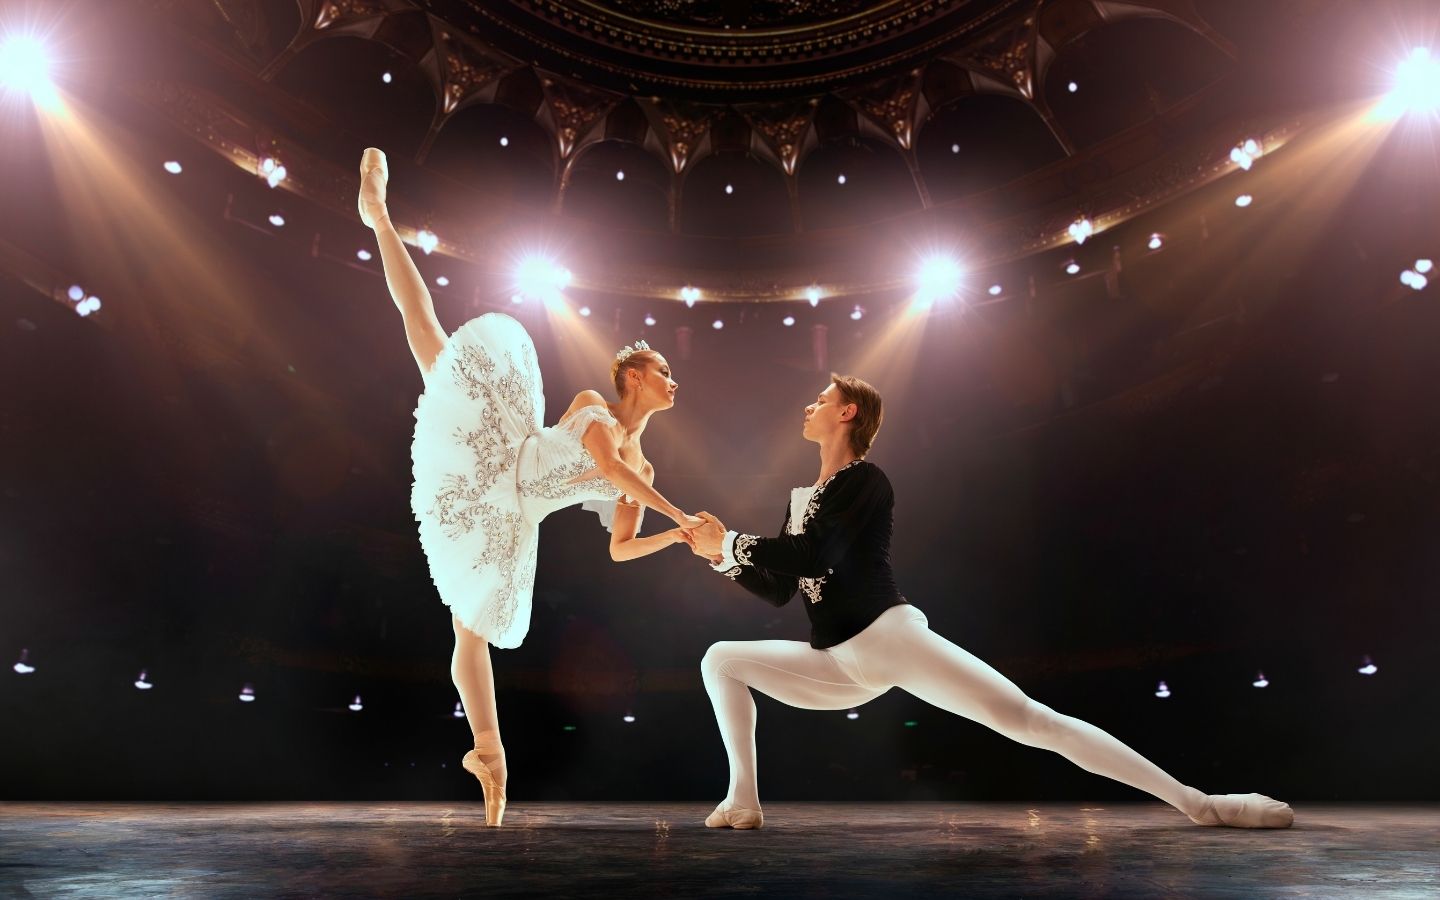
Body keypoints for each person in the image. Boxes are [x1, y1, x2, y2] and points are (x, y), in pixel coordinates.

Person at [684, 374, 1294, 831]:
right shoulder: (798, 499)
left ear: (847, 412)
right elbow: (779, 588)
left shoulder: (866, 480)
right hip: (837, 662)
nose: (809, 406)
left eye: (820, 399)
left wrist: (735, 540)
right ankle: (744, 798)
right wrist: (718, 552)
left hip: (890, 639)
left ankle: (1200, 804)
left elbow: (818, 558)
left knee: (1030, 721)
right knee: (721, 659)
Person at [359, 148, 703, 826]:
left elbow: (620, 550)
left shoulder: (648, 470)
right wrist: (684, 515)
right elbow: (608, 470)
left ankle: (488, 751)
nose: (674, 382)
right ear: (634, 377)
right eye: (665, 372)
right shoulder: (595, 410)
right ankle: (378, 218)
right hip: (498, 447)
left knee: (473, 625)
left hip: (516, 516)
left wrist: (674, 536)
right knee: (428, 333)